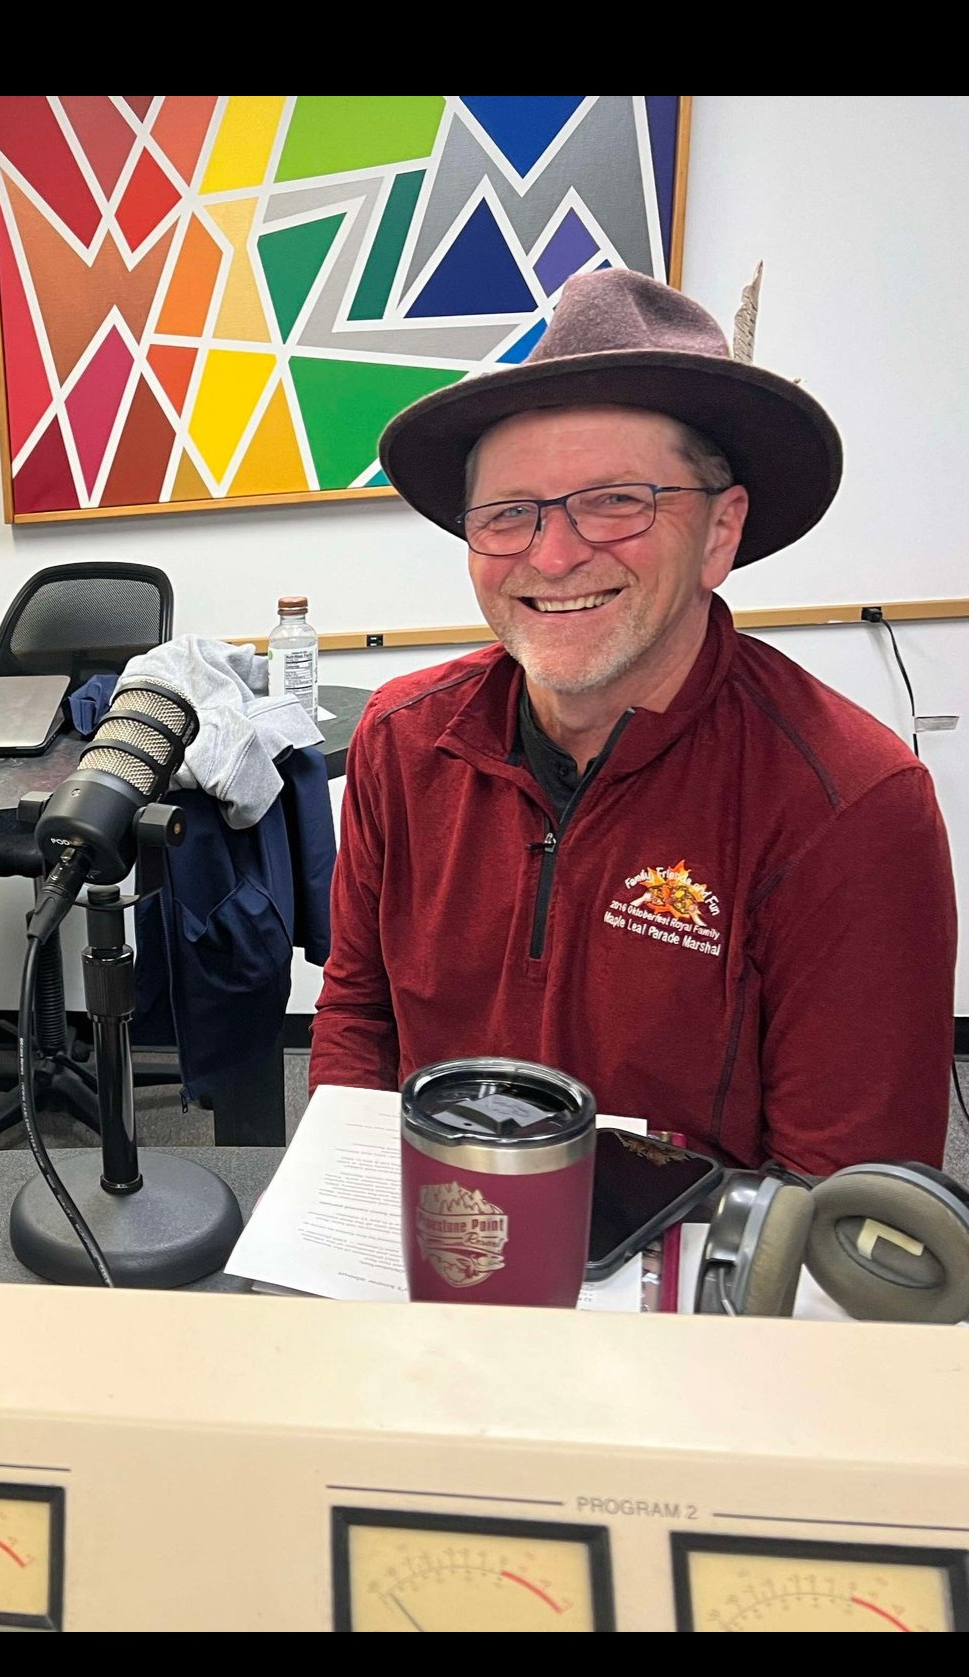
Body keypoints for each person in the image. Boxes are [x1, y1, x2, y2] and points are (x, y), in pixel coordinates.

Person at [310, 270, 955, 1173]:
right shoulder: (406, 738)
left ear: (721, 532)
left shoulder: (849, 801)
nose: (556, 552)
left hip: (694, 1286)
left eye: (617, 499)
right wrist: (348, 1204)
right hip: (437, 1233)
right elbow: (358, 1016)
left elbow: (843, 1192)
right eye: (508, 513)